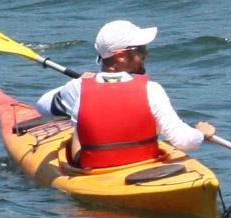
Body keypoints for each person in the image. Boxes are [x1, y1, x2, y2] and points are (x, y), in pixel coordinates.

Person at [34, 19, 216, 169]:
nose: (147, 53)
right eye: (141, 49)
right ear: (121, 56)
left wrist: (76, 85)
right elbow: (185, 141)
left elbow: (43, 105)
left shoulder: (78, 87)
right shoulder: (152, 89)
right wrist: (201, 133)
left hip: (93, 169)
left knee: (77, 121)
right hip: (144, 164)